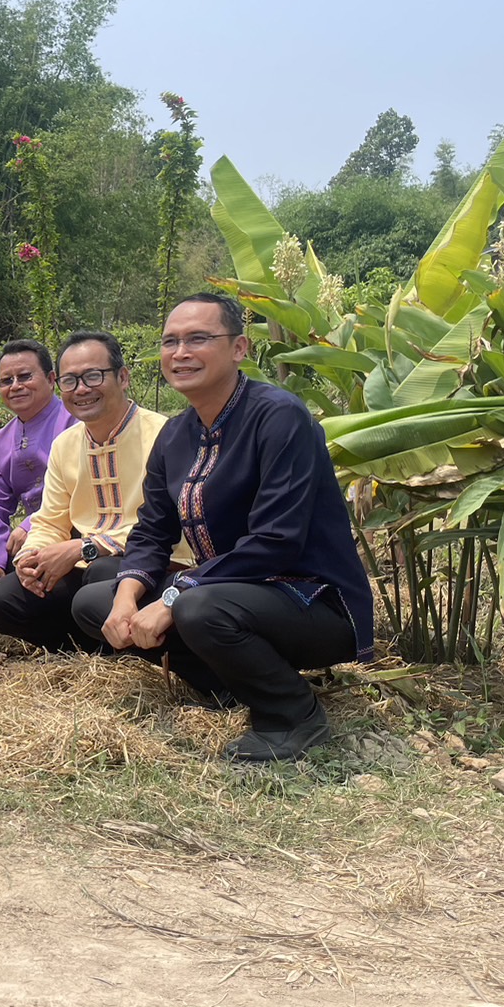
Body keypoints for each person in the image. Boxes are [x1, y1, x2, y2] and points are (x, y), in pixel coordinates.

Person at [72, 293, 375, 762]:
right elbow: (152, 533)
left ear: (239, 349)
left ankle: (292, 716)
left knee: (196, 607)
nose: (180, 352)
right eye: (170, 341)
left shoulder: (279, 417)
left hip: (312, 600)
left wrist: (173, 598)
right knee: (96, 600)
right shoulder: (175, 435)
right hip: (225, 594)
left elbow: (277, 542)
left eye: (198, 338)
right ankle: (227, 685)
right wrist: (129, 597)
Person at [0, 330, 188, 651]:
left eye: (93, 376)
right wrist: (29, 558)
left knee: (102, 573)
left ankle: (132, 642)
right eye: (70, 380)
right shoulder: (66, 444)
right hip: (89, 564)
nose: (81, 390)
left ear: (123, 377)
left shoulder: (162, 435)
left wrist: (85, 548)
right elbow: (50, 521)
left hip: (154, 566)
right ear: (59, 385)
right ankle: (96, 648)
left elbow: (170, 526)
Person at [0, 339, 75, 595]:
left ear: (51, 379)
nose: (16, 386)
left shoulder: (75, 421)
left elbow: (80, 488)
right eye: (7, 380)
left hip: (70, 529)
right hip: (29, 537)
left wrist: (29, 525)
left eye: (25, 376)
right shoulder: (2, 439)